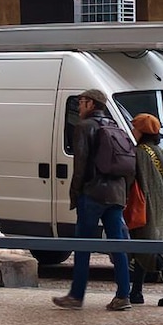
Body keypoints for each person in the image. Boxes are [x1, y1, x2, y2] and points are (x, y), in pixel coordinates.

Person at [53, 89, 136, 311]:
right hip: (116, 194)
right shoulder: (114, 126)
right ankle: (123, 295)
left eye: (80, 102)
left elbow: (80, 164)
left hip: (93, 193)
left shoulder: (84, 127)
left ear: (90, 104)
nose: (79, 107)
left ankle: (76, 295)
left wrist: (75, 192)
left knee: (83, 245)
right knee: (117, 244)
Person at [129, 112, 163, 307]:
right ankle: (136, 291)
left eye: (134, 128)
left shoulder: (136, 153)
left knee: (145, 244)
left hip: (142, 204)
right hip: (159, 205)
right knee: (148, 242)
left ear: (141, 132)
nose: (132, 132)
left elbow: (129, 180)